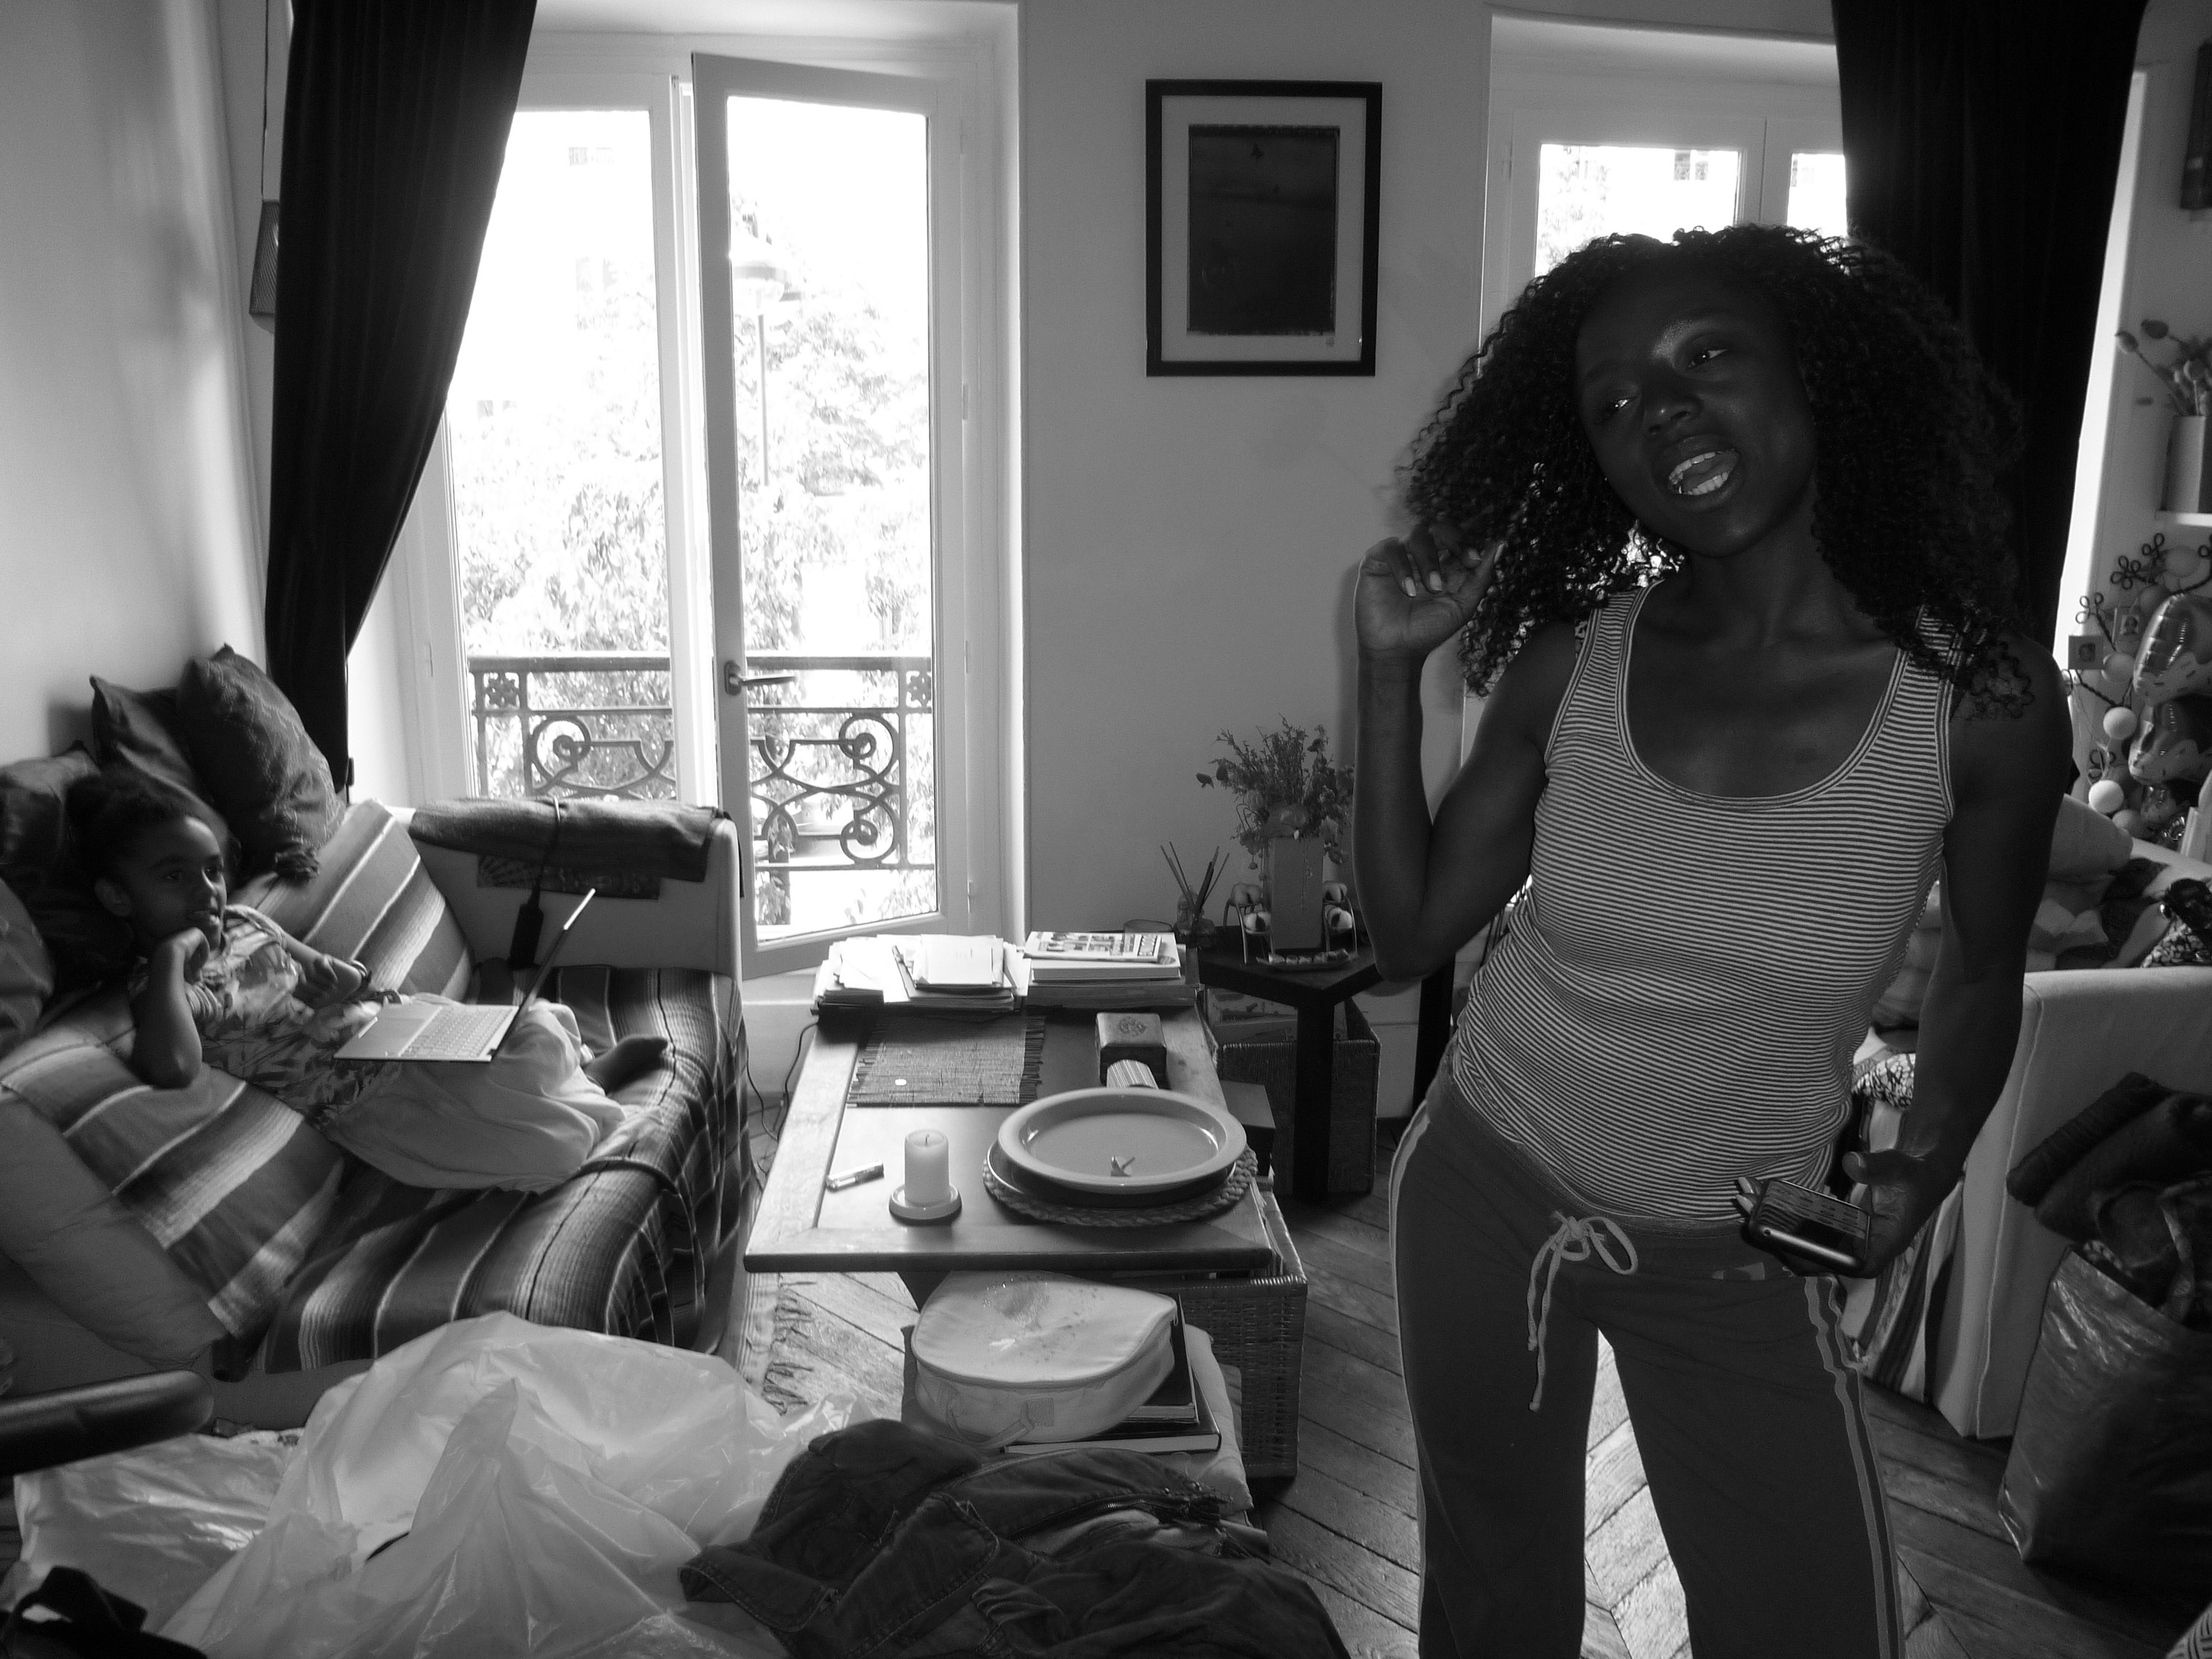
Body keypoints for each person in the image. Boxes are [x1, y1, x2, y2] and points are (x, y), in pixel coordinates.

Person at [1354, 224, 2070, 1659]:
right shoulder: (1576, 660)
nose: (1660, 411)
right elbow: (1408, 932)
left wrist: (1917, 1172)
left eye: (1708, 356)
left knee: (1817, 1632)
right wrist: (1383, 675)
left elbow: (1987, 969)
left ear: (1818, 377)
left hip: (1739, 1244)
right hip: (1485, 1186)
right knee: (1493, 1612)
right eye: (1613, 402)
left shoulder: (1977, 698)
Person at [69, 769, 667, 1192]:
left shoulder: (247, 920)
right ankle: (586, 1081)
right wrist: (174, 956)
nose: (206, 893)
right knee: (552, 1151)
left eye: (212, 872)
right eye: (174, 878)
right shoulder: (165, 989)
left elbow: (340, 973)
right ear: (117, 896)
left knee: (536, 1026)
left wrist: (341, 975)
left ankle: (573, 1070)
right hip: (369, 1103)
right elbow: (170, 1067)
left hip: (401, 1028)